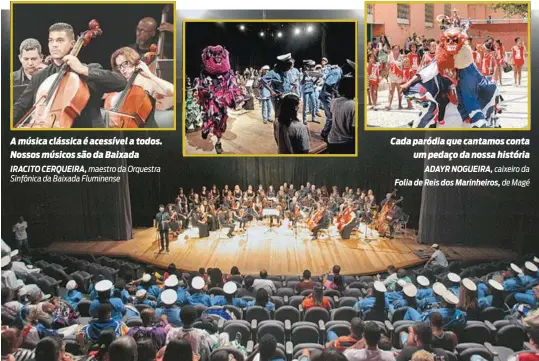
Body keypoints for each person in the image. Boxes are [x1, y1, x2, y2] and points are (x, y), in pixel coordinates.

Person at [13, 22, 126, 128]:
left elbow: (121, 83)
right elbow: (20, 107)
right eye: (51, 40)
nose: (54, 45)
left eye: (60, 40)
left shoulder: (88, 70)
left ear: (72, 44)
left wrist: (83, 70)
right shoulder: (40, 76)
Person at [106, 47, 174, 127]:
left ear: (133, 60)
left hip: (147, 133)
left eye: (125, 63)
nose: (122, 69)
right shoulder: (120, 85)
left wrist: (150, 75)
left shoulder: (147, 81)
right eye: (119, 66)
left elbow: (172, 91)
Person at [328, 75, 355, 154]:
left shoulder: (334, 101)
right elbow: (354, 129)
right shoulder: (353, 105)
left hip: (332, 141)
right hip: (346, 143)